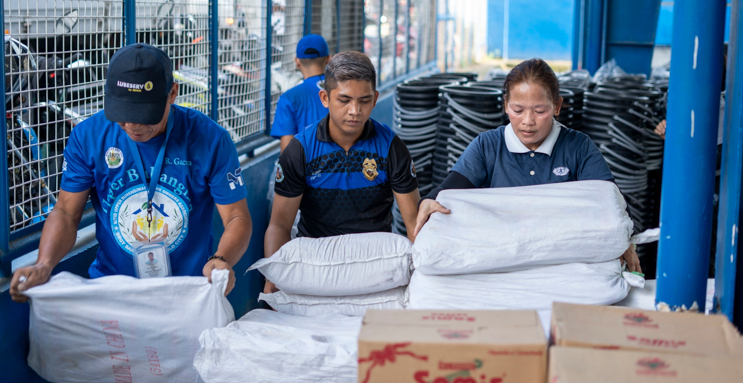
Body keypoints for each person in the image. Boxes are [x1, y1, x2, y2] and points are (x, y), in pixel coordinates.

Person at [10, 43, 253, 383]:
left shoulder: (209, 138)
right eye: (123, 115)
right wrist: (44, 263)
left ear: (173, 93)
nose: (134, 126)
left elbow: (236, 217)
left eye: (146, 116)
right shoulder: (89, 136)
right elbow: (66, 212)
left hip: (185, 300)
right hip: (116, 299)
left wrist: (222, 258)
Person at [414, 58, 641, 272]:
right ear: (505, 105)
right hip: (501, 259)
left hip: (560, 261)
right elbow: (450, 189)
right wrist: (428, 201)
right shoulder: (487, 146)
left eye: (540, 111)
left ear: (557, 106)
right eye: (518, 110)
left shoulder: (578, 147)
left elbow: (611, 200)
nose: (528, 121)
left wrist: (623, 237)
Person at [264, 51, 420, 293]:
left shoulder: (391, 147)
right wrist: (272, 282)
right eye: (344, 100)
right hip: (314, 266)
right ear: (325, 98)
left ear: (376, 98)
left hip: (375, 267)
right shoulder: (300, 150)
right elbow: (280, 225)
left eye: (364, 100)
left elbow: (413, 224)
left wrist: (420, 280)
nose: (355, 110)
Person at [271, 34, 331, 152]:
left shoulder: (289, 97)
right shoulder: (344, 89)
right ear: (328, 59)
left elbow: (287, 153)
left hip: (309, 168)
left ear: (297, 62)